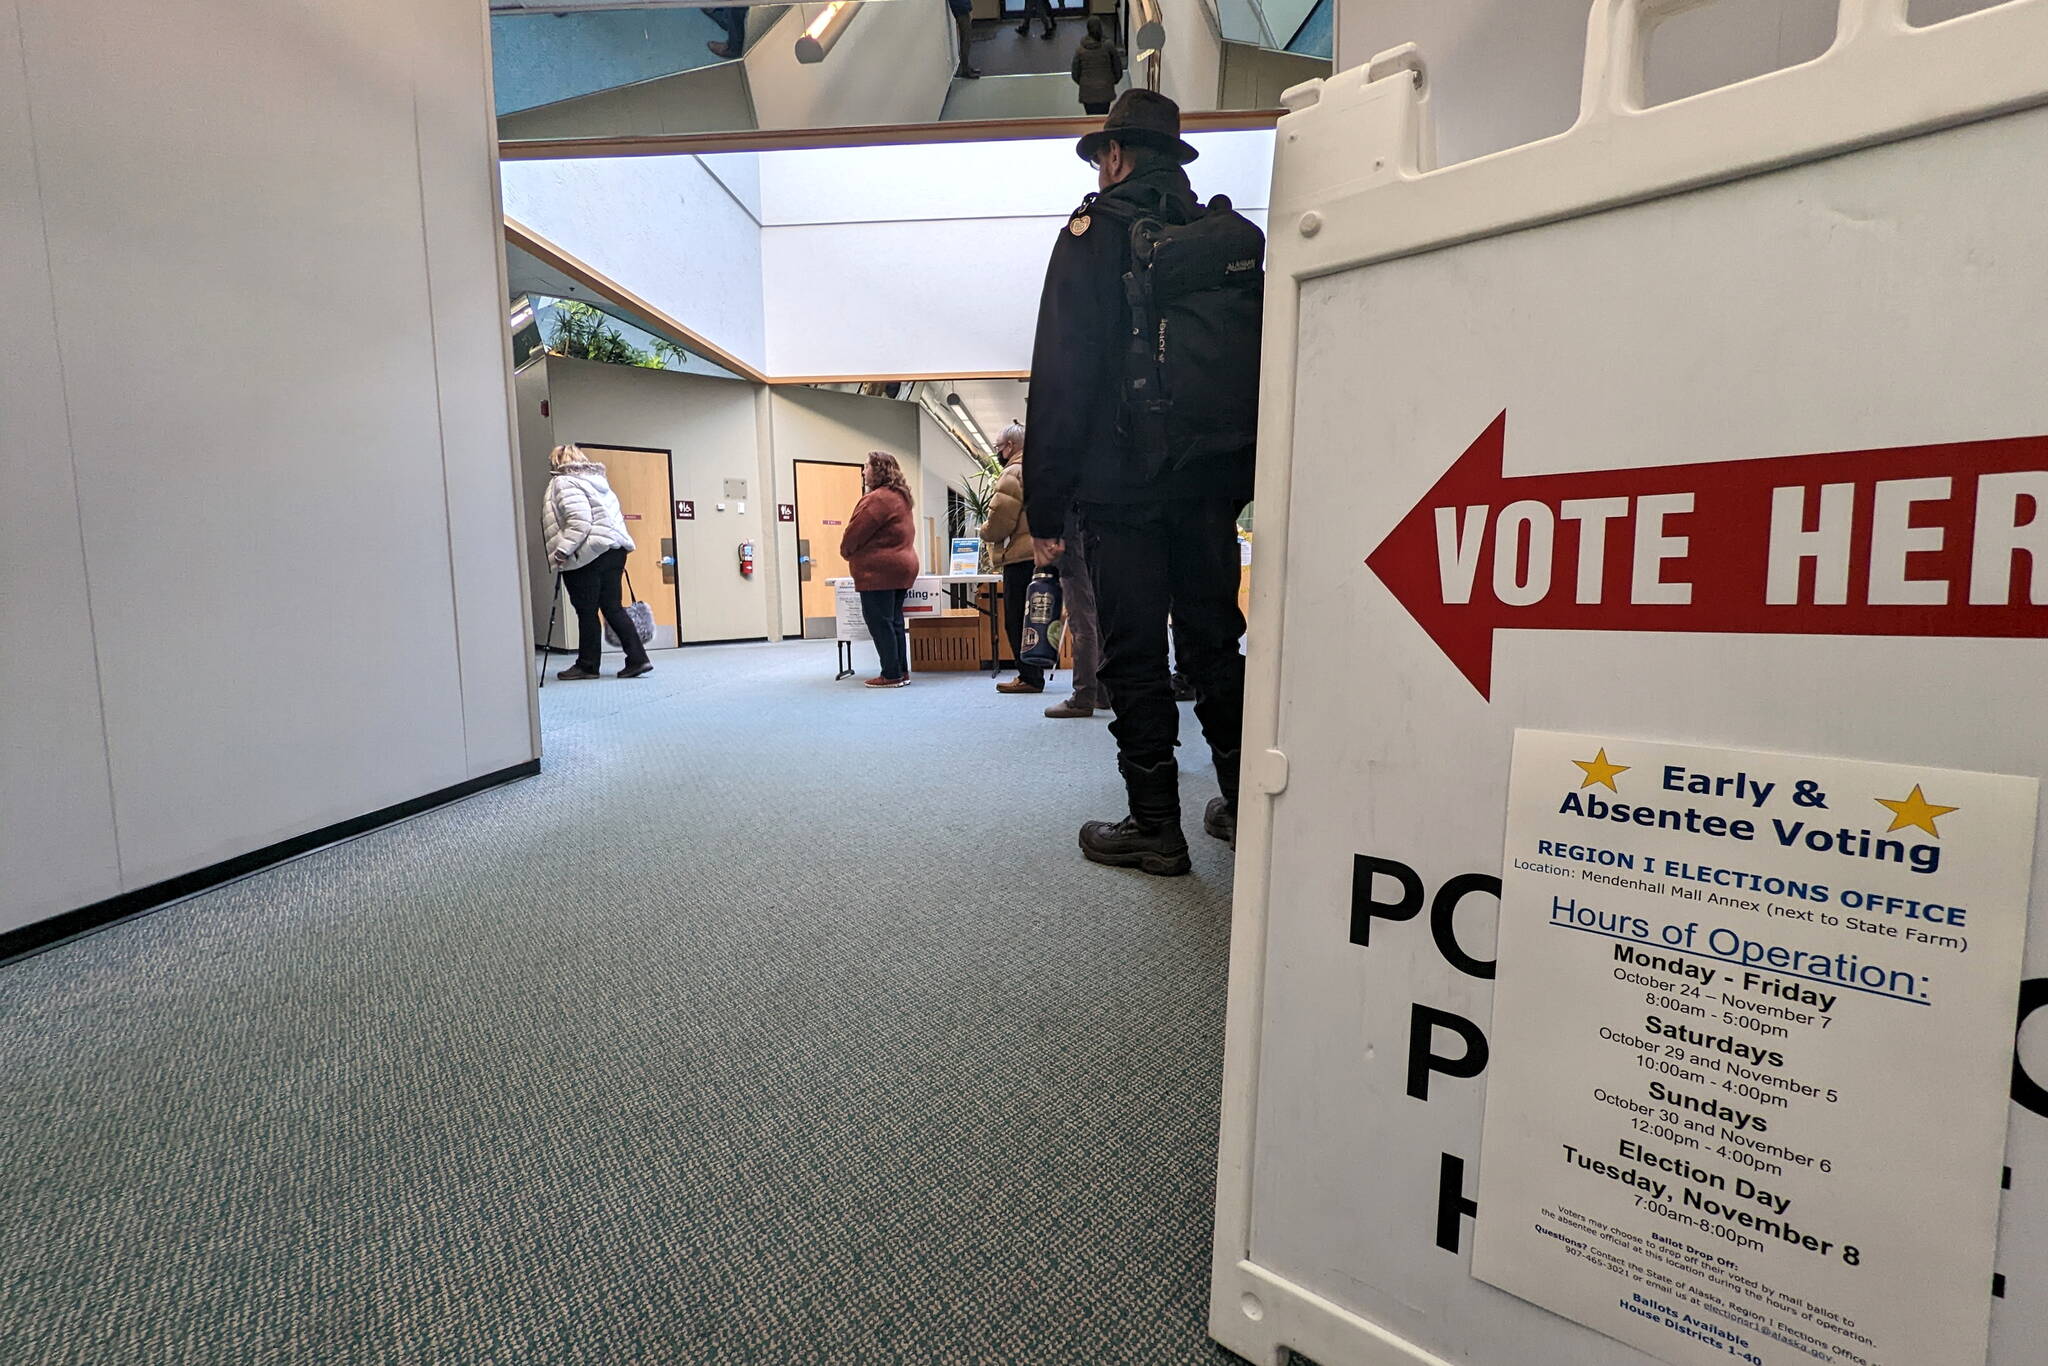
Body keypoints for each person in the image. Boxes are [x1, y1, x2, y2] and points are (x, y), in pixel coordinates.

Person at [1022, 90, 1257, 875]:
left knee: (1133, 651)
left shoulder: (1093, 235)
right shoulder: (1216, 237)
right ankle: (1244, 804)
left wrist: (1047, 504)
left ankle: (1156, 824)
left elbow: (1061, 376)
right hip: (1209, 483)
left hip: (1121, 487)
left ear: (1113, 157)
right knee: (1215, 641)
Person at [543, 444, 653, 681]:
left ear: (557, 462)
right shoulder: (599, 482)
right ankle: (638, 658)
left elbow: (579, 521)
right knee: (612, 607)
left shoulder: (564, 482)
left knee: (586, 611)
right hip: (614, 551)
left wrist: (562, 551)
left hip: (588, 554)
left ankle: (588, 665)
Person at [840, 451, 920, 688]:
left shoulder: (877, 499)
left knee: (879, 621)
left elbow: (855, 533)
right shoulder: (901, 497)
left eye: (866, 467)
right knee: (894, 621)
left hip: (879, 572)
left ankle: (891, 674)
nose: (864, 472)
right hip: (902, 567)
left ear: (879, 470)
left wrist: (846, 552)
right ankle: (900, 671)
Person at [978, 422, 1045, 696]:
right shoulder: (1038, 469)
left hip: (1020, 557)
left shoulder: (1012, 473)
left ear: (1011, 447)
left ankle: (1028, 676)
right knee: (1037, 618)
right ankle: (1034, 673)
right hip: (1039, 553)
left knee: (1016, 619)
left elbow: (1000, 522)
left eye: (998, 447)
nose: (997, 452)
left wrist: (982, 531)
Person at [1044, 534, 1107, 717]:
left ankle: (1083, 696)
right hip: (1100, 536)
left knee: (1082, 622)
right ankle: (1102, 692)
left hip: (1072, 539)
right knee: (1097, 618)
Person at [1069, 17, 1123, 115]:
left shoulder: (1080, 50)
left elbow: (1075, 74)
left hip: (1087, 93)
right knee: (1103, 117)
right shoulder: (1108, 46)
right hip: (1105, 90)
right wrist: (1111, 81)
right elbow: (1118, 68)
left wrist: (1083, 83)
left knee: (1090, 118)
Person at [949, 0, 981, 78]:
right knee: (966, 40)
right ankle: (965, 71)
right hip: (961, 10)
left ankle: (966, 67)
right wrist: (967, 8)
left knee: (965, 39)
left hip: (962, 9)